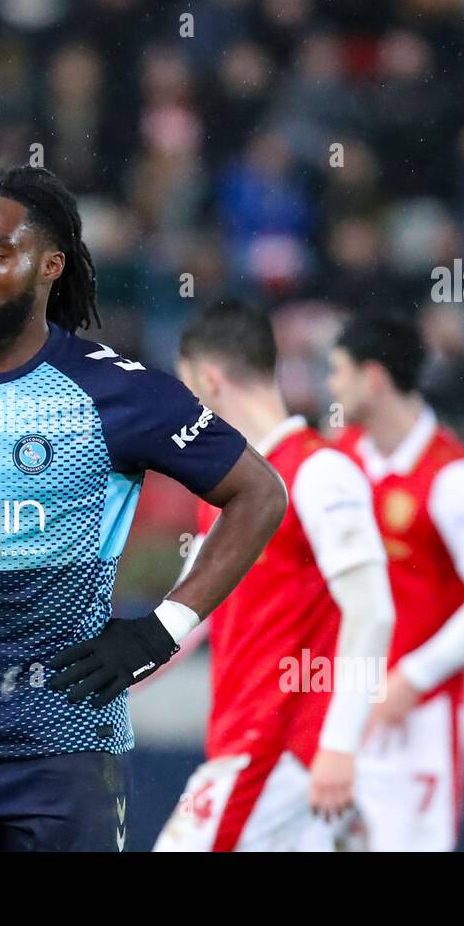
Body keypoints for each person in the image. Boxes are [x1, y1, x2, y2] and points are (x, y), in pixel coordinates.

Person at [0, 165, 287, 851]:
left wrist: (159, 632)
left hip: (65, 756)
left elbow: (259, 494)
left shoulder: (116, 392)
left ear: (50, 265)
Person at [154, 300, 394, 852]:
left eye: (187, 391)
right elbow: (182, 624)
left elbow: (372, 610)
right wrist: (91, 679)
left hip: (278, 753)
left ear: (210, 381)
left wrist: (338, 744)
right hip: (250, 748)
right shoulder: (228, 494)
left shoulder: (319, 472)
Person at [328, 313, 464, 851]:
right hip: (332, 702)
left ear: (373, 378)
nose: (330, 386)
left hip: (417, 719)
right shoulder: (336, 463)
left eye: (338, 372)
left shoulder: (453, 476)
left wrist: (413, 677)